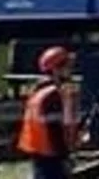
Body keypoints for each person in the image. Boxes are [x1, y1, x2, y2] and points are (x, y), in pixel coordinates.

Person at [16, 47, 77, 179]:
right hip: (52, 156)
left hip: (39, 153)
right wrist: (64, 157)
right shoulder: (53, 95)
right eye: (67, 66)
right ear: (56, 69)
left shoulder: (39, 92)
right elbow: (53, 129)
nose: (71, 70)